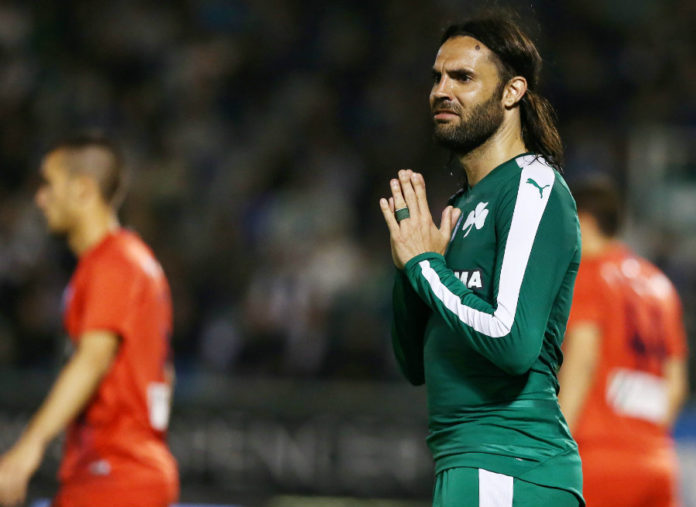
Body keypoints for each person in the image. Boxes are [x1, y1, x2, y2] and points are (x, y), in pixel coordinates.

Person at [379, 14, 584, 507]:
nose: (441, 91)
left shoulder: (532, 185)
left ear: (512, 92)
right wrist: (410, 272)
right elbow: (414, 363)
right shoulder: (464, 205)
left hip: (510, 462)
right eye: (437, 77)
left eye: (463, 77)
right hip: (472, 462)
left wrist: (425, 266)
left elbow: (510, 340)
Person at [0, 135, 179, 507]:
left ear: (82, 189)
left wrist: (28, 449)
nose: (40, 198)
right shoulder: (127, 260)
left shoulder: (113, 262)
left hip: (116, 474)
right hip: (119, 471)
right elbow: (165, 373)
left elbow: (93, 359)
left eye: (49, 184)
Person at [558, 178, 688, 507]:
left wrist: (555, 444)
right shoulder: (661, 285)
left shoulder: (589, 274)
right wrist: (642, 442)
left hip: (597, 459)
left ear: (584, 221)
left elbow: (583, 361)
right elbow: (676, 384)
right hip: (657, 462)